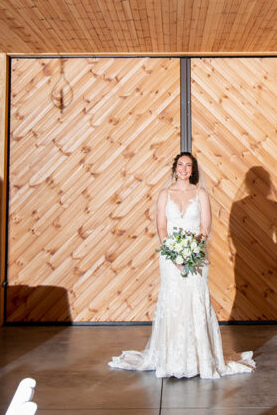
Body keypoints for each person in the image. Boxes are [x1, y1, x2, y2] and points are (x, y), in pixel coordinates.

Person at [108, 151, 255, 379]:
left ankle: (200, 359)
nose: (184, 168)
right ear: (175, 168)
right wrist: (174, 253)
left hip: (196, 256)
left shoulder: (201, 194)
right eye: (180, 164)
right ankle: (172, 358)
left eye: (188, 165)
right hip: (170, 257)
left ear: (193, 170)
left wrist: (193, 250)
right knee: (173, 300)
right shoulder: (165, 194)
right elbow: (161, 227)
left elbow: (205, 226)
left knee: (196, 299)